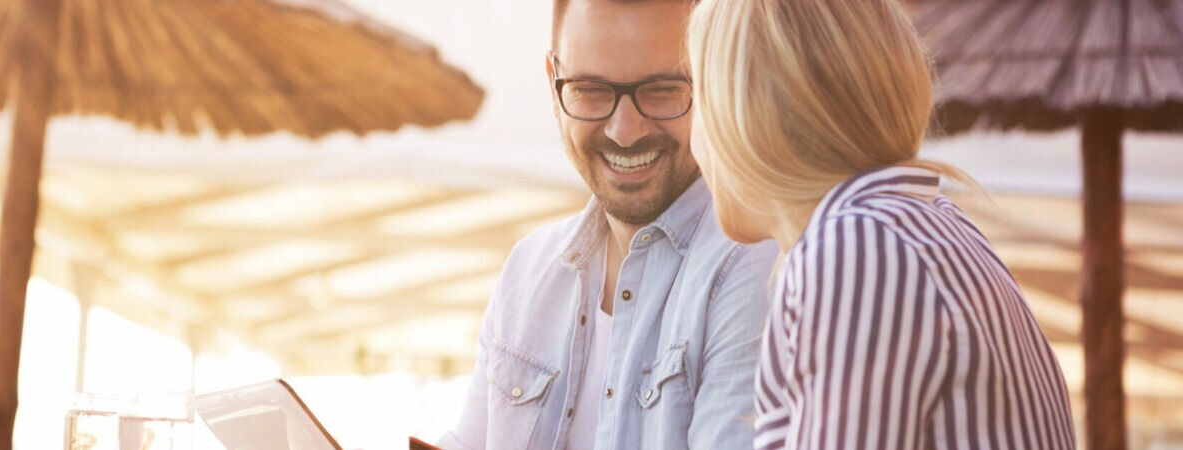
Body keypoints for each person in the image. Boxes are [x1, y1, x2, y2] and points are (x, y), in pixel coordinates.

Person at [684, 1, 1078, 448]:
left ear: (747, 121)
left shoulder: (856, 253)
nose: (690, 131)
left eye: (697, 95)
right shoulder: (931, 224)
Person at [438, 1, 778, 449]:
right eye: (591, 90)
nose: (624, 130)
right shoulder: (528, 268)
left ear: (714, 81)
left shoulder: (757, 267)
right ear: (553, 84)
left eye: (661, 89)